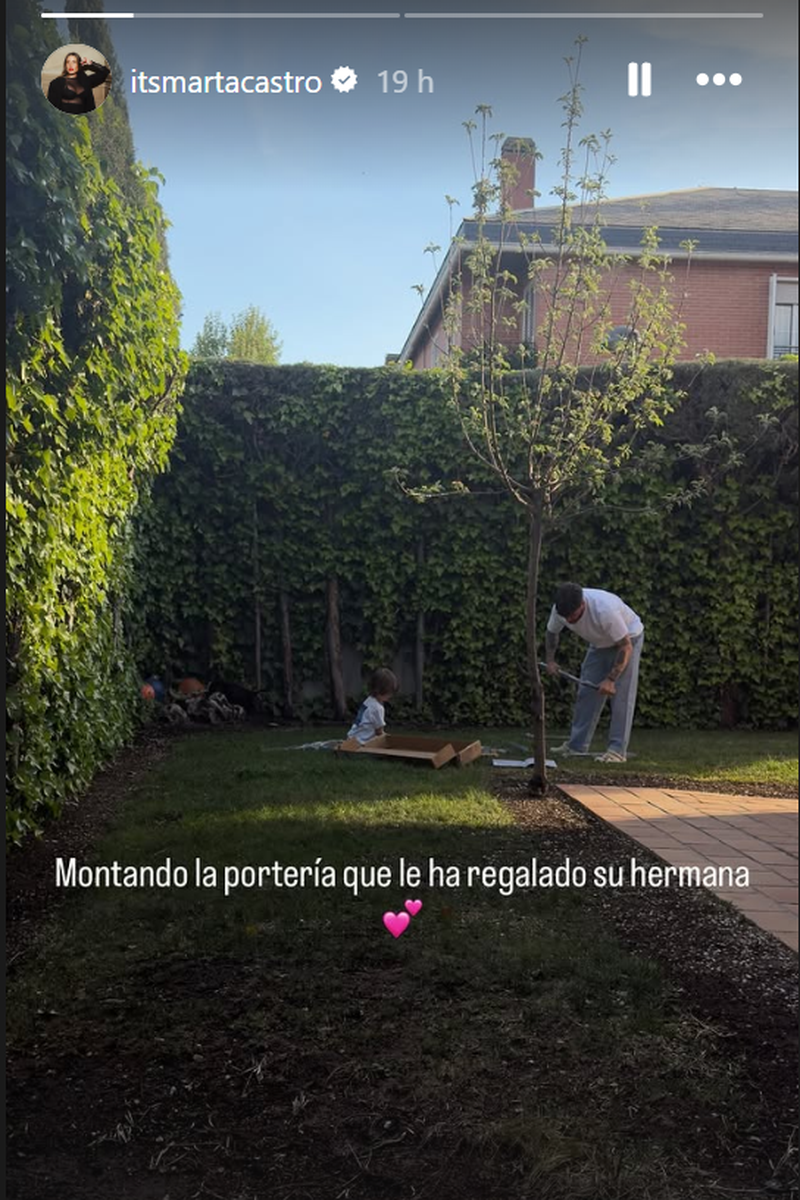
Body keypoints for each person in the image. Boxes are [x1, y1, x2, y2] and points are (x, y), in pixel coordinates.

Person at [545, 582, 644, 763]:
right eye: (566, 616)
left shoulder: (604, 610)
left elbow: (625, 646)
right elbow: (552, 633)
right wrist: (550, 660)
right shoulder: (560, 611)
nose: (569, 620)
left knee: (621, 696)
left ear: (583, 604)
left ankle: (616, 751)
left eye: (573, 615)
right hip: (600, 644)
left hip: (629, 638)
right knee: (586, 693)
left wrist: (611, 679)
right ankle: (576, 746)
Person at [345, 667, 398, 744]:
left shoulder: (369, 700)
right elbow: (379, 732)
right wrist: (390, 740)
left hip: (352, 737)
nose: (391, 695)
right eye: (390, 692)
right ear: (382, 690)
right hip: (360, 742)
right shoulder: (377, 708)